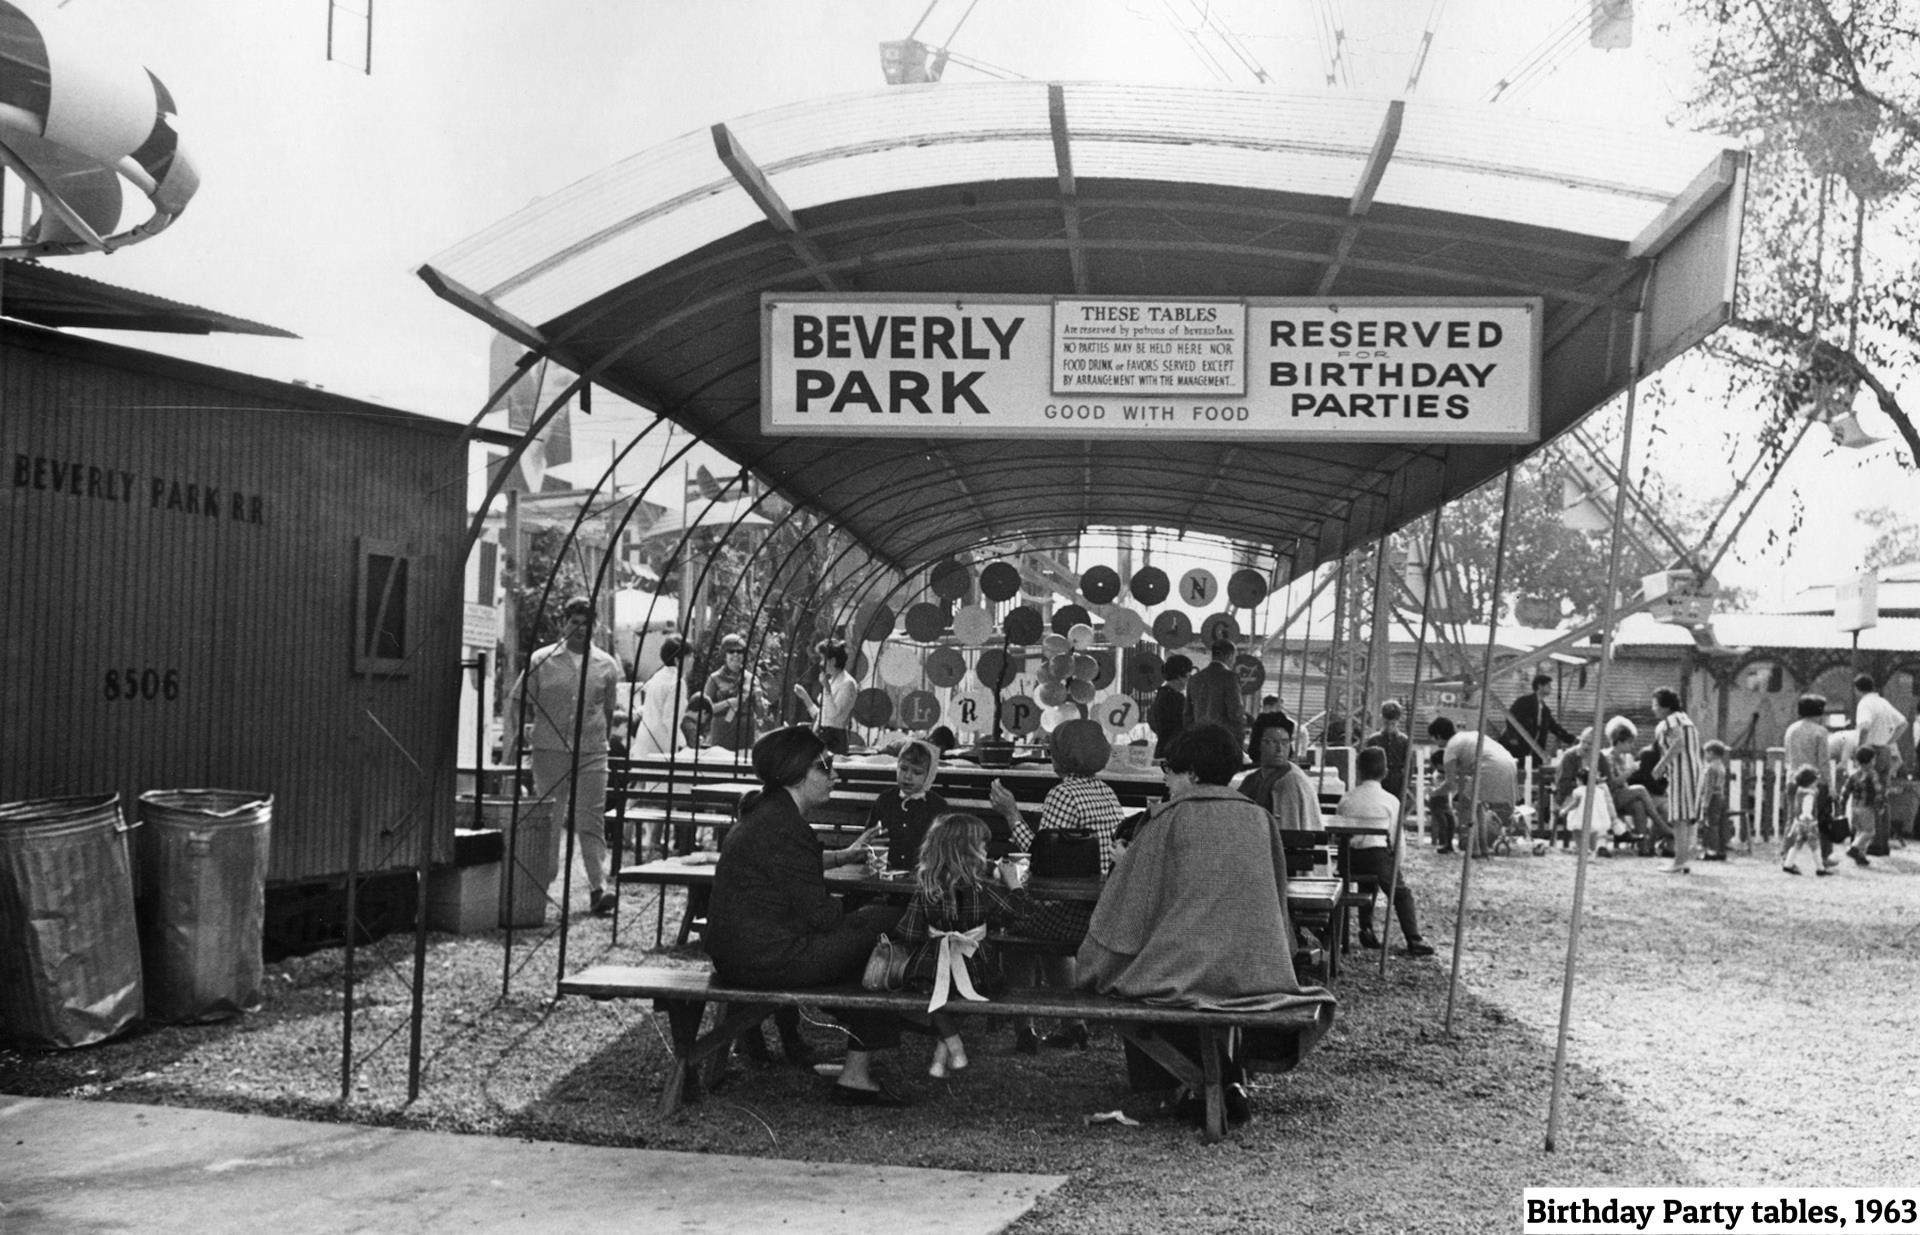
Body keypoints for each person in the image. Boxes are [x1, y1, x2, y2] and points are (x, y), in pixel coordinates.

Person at [1077, 723, 1336, 1127]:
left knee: (1136, 974)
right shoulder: (1260, 819)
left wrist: (1091, 958)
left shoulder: (1167, 820)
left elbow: (1126, 912)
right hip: (1259, 971)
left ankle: (1183, 1085)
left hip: (1186, 972)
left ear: (1192, 773)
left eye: (1171, 770)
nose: (1166, 777)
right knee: (1186, 971)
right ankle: (1224, 1082)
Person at [704, 726, 909, 1107]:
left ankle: (858, 1069)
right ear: (797, 773)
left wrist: (845, 862)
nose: (835, 774)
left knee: (871, 933)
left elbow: (796, 873)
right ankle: (860, 1072)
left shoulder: (766, 814)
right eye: (825, 765)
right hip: (767, 960)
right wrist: (858, 906)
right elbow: (822, 916)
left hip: (739, 956)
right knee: (887, 920)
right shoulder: (785, 827)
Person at [886, 812, 1063, 1078]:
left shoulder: (925, 889)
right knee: (959, 993)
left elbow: (909, 932)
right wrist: (1014, 884)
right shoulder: (985, 891)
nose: (986, 851)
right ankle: (949, 1048)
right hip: (977, 967)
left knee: (935, 994)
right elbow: (1025, 913)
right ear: (968, 852)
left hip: (931, 966)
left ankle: (949, 1048)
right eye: (982, 847)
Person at [985, 718, 1117, 1052]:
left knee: (1014, 925)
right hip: (1098, 911)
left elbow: (1043, 857)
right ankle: (1073, 1024)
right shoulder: (1107, 793)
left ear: (1060, 754)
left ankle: (1024, 1026)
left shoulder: (1063, 794)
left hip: (1068, 910)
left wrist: (1011, 814)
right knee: (1046, 937)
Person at [503, 596, 622, 917]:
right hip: (549, 751)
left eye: (586, 623)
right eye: (574, 622)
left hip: (592, 751)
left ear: (595, 626)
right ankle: (538, 889)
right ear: (563, 624)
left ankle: (599, 889)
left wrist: (600, 741)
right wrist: (516, 740)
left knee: (591, 818)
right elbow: (517, 700)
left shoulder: (607, 665)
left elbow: (609, 711)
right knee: (549, 819)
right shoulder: (543, 660)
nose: (580, 629)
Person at [1334, 747, 1436, 956]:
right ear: (1385, 772)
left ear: (1359, 771)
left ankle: (1366, 928)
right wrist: (1397, 862)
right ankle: (1414, 938)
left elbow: (1338, 833)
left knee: (1366, 884)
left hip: (1350, 857)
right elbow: (1396, 837)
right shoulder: (1390, 800)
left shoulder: (1347, 798)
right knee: (1401, 894)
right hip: (1377, 855)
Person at [633, 634, 695, 857]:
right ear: (679, 660)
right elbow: (671, 721)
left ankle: (630, 836)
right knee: (661, 794)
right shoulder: (676, 682)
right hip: (661, 743)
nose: (692, 661)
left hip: (645, 739)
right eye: (689, 657)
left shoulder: (658, 677)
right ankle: (652, 841)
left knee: (639, 788)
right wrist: (679, 748)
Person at [1427, 716, 1517, 858]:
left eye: (1433, 738)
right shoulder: (1468, 736)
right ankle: (1483, 849)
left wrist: (1434, 792)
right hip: (1509, 763)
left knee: (1466, 805)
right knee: (1477, 805)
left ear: (1438, 736)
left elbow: (1450, 783)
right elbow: (1463, 774)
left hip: (1491, 767)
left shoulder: (1451, 747)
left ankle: (1474, 849)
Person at [865, 738, 953, 871]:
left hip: (923, 875)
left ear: (929, 775)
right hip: (885, 870)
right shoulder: (885, 800)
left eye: (917, 772)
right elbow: (868, 836)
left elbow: (946, 847)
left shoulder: (938, 806)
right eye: (904, 769)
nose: (908, 776)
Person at [1651, 688, 1704, 875]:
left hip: (1682, 772)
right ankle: (1683, 859)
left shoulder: (1671, 721)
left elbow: (1678, 742)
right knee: (1685, 817)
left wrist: (1660, 765)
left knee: (1679, 818)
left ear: (1665, 707)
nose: (1653, 709)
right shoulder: (1685, 719)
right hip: (1692, 770)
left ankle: (1679, 861)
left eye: (1656, 705)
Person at [1240, 712, 1322, 831]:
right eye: (1271, 742)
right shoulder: (1252, 779)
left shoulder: (1291, 782)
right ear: (1258, 744)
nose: (1279, 749)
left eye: (1285, 742)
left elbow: (1288, 833)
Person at [704, 633, 767, 753]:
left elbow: (760, 714)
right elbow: (705, 709)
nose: (736, 655)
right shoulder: (715, 678)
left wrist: (759, 700)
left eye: (740, 652)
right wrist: (728, 702)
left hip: (745, 733)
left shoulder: (751, 679)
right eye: (731, 651)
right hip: (722, 731)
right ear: (724, 654)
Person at [793, 640, 857, 755]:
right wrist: (805, 697)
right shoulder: (831, 680)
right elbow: (821, 716)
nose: (821, 663)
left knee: (826, 770)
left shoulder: (848, 683)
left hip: (834, 738)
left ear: (832, 661)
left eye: (823, 659)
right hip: (822, 734)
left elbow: (833, 715)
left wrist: (827, 689)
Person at [1183, 638, 1246, 751]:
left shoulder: (1195, 679)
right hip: (1223, 743)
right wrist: (1239, 744)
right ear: (1229, 656)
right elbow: (1236, 713)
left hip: (1199, 742)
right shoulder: (1230, 678)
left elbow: (1187, 714)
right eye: (1234, 657)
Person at [1502, 673, 1576, 765]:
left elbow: (1554, 727)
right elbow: (1510, 718)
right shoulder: (1523, 702)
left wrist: (1572, 739)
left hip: (1532, 748)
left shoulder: (1544, 710)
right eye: (1548, 685)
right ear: (1540, 686)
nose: (1551, 688)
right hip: (1517, 745)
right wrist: (1513, 737)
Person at [1558, 765, 1626, 857]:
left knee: (1577, 833)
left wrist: (1565, 810)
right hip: (1596, 817)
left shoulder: (1578, 791)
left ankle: (1582, 849)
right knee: (1593, 834)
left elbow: (1575, 803)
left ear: (1580, 781)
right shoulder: (1598, 790)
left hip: (1581, 816)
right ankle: (1592, 850)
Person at [1780, 765, 1828, 877]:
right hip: (1809, 824)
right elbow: (1807, 808)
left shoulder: (1799, 792)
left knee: (1797, 844)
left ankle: (1788, 863)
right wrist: (1809, 818)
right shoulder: (1809, 794)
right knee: (1815, 846)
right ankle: (1820, 868)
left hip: (1799, 823)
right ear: (1811, 782)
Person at [1840, 744, 1881, 867]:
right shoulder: (1872, 774)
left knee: (1860, 831)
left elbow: (1845, 791)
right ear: (1871, 760)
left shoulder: (1853, 775)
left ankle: (1861, 856)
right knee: (1869, 832)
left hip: (1854, 807)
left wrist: (1842, 805)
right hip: (1867, 807)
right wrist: (1881, 804)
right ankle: (1854, 848)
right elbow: (1878, 790)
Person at [1363, 699, 1412, 803]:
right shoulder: (1373, 740)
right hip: (1377, 780)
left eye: (1393, 724)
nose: (1389, 727)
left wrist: (1405, 786)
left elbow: (1409, 767)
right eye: (1386, 723)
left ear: (1398, 722)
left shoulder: (1404, 741)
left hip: (1397, 782)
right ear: (1382, 719)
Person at [1148, 653, 1193, 759]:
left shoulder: (1160, 695)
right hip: (1175, 753)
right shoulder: (1176, 699)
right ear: (1181, 676)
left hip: (1162, 750)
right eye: (1189, 675)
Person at [1699, 740, 1732, 860]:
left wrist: (1705, 803)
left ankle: (1712, 850)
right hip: (1721, 796)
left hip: (1713, 797)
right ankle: (1721, 850)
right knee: (1721, 824)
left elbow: (1709, 787)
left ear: (1711, 753)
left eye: (1706, 753)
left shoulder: (1710, 768)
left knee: (1711, 824)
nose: (1705, 756)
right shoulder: (1721, 766)